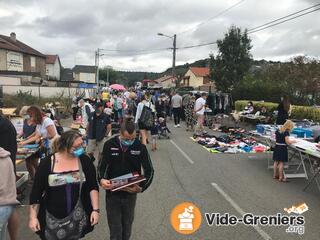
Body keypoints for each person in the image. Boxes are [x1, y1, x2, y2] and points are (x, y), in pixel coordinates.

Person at [29, 130, 99, 240]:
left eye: (82, 144)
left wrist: (95, 210)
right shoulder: (48, 162)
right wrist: (33, 217)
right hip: (51, 218)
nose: (80, 148)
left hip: (77, 218)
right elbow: (36, 193)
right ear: (64, 146)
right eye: (76, 147)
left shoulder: (84, 161)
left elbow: (92, 186)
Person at [98, 118, 154, 240]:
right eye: (126, 139)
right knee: (115, 229)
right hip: (112, 194)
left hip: (130, 195)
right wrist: (101, 180)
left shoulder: (140, 147)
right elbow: (101, 168)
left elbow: (150, 170)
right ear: (120, 134)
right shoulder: (109, 145)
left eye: (133, 138)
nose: (130, 141)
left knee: (127, 227)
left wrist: (141, 188)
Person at [0, 113, 19, 240]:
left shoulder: (3, 125)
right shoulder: (5, 123)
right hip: (7, 163)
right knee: (10, 204)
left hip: (4, 166)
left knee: (8, 203)